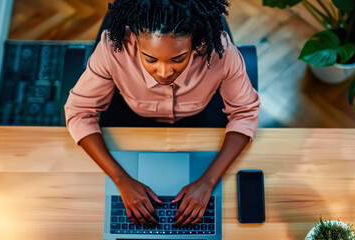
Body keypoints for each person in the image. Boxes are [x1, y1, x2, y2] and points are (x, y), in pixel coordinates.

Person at [64, 0, 260, 229]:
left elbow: (245, 113)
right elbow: (79, 111)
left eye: (178, 59)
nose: (164, 73)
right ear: (135, 41)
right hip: (131, 121)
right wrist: (121, 180)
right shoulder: (112, 50)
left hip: (200, 121)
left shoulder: (220, 52)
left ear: (196, 42)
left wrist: (208, 182)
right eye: (150, 59)